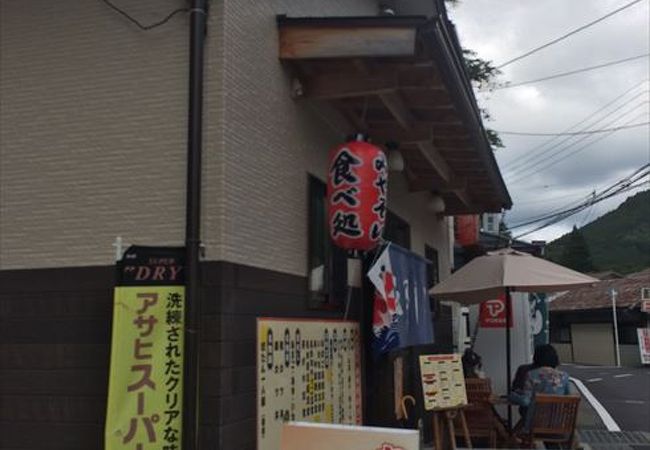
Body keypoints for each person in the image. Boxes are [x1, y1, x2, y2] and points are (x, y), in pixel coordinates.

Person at [509, 344, 570, 431]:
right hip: (558, 423)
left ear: (536, 357)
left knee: (527, 413)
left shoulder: (531, 374)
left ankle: (515, 437)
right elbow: (568, 397)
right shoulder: (564, 376)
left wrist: (512, 396)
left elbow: (525, 401)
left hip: (535, 424)